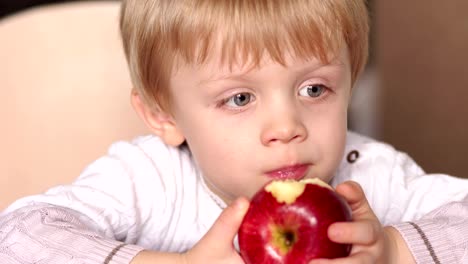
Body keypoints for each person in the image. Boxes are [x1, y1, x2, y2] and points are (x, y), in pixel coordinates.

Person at [1, 0, 468, 263]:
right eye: (240, 98)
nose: (287, 127)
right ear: (165, 116)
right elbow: (19, 236)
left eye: (314, 88)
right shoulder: (148, 180)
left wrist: (393, 251)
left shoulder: (370, 174)